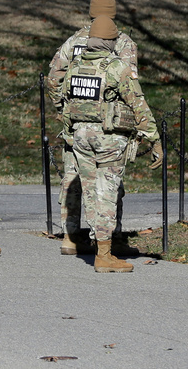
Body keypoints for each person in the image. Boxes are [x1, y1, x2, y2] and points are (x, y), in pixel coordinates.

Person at [60, 16, 162, 272]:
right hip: (109, 139)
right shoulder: (116, 67)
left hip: (81, 137)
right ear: (109, 41)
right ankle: (104, 255)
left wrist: (69, 134)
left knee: (91, 194)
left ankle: (98, 247)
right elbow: (139, 105)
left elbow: (66, 105)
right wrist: (154, 139)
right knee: (107, 194)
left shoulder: (75, 66)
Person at [46, 0, 137, 255]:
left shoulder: (74, 40)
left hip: (75, 125)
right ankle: (112, 239)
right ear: (114, 12)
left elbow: (53, 78)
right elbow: (129, 85)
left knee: (73, 178)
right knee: (109, 181)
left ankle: (70, 237)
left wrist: (66, 107)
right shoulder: (122, 42)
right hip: (109, 128)